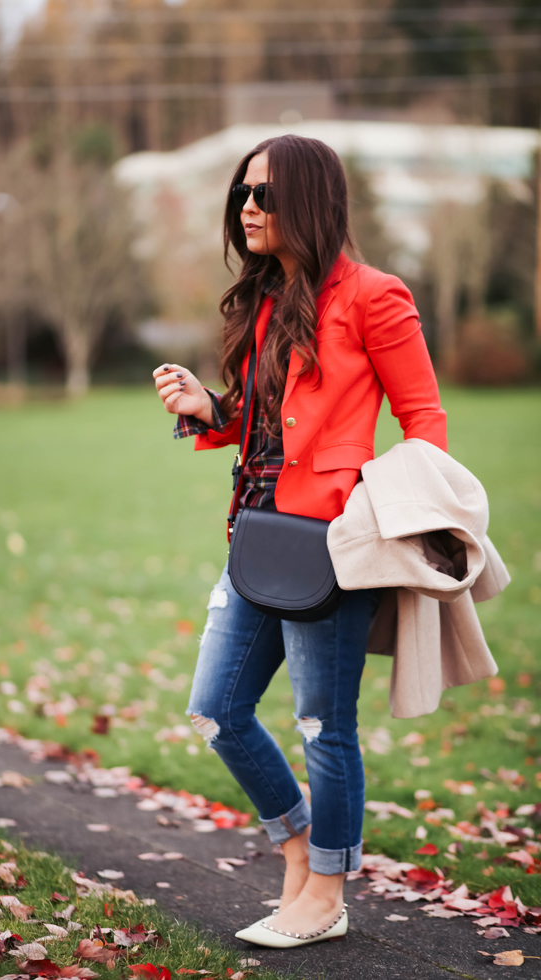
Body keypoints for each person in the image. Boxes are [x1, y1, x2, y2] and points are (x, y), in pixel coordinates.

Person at [153, 134, 447, 949]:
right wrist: (210, 408)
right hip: (255, 533)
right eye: (244, 193)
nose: (249, 207)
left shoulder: (375, 297)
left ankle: (328, 891)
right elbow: (264, 422)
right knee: (216, 711)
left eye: (268, 195)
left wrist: (407, 515)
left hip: (335, 546)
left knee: (325, 727)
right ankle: (296, 849)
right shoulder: (265, 300)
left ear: (311, 204)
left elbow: (424, 422)